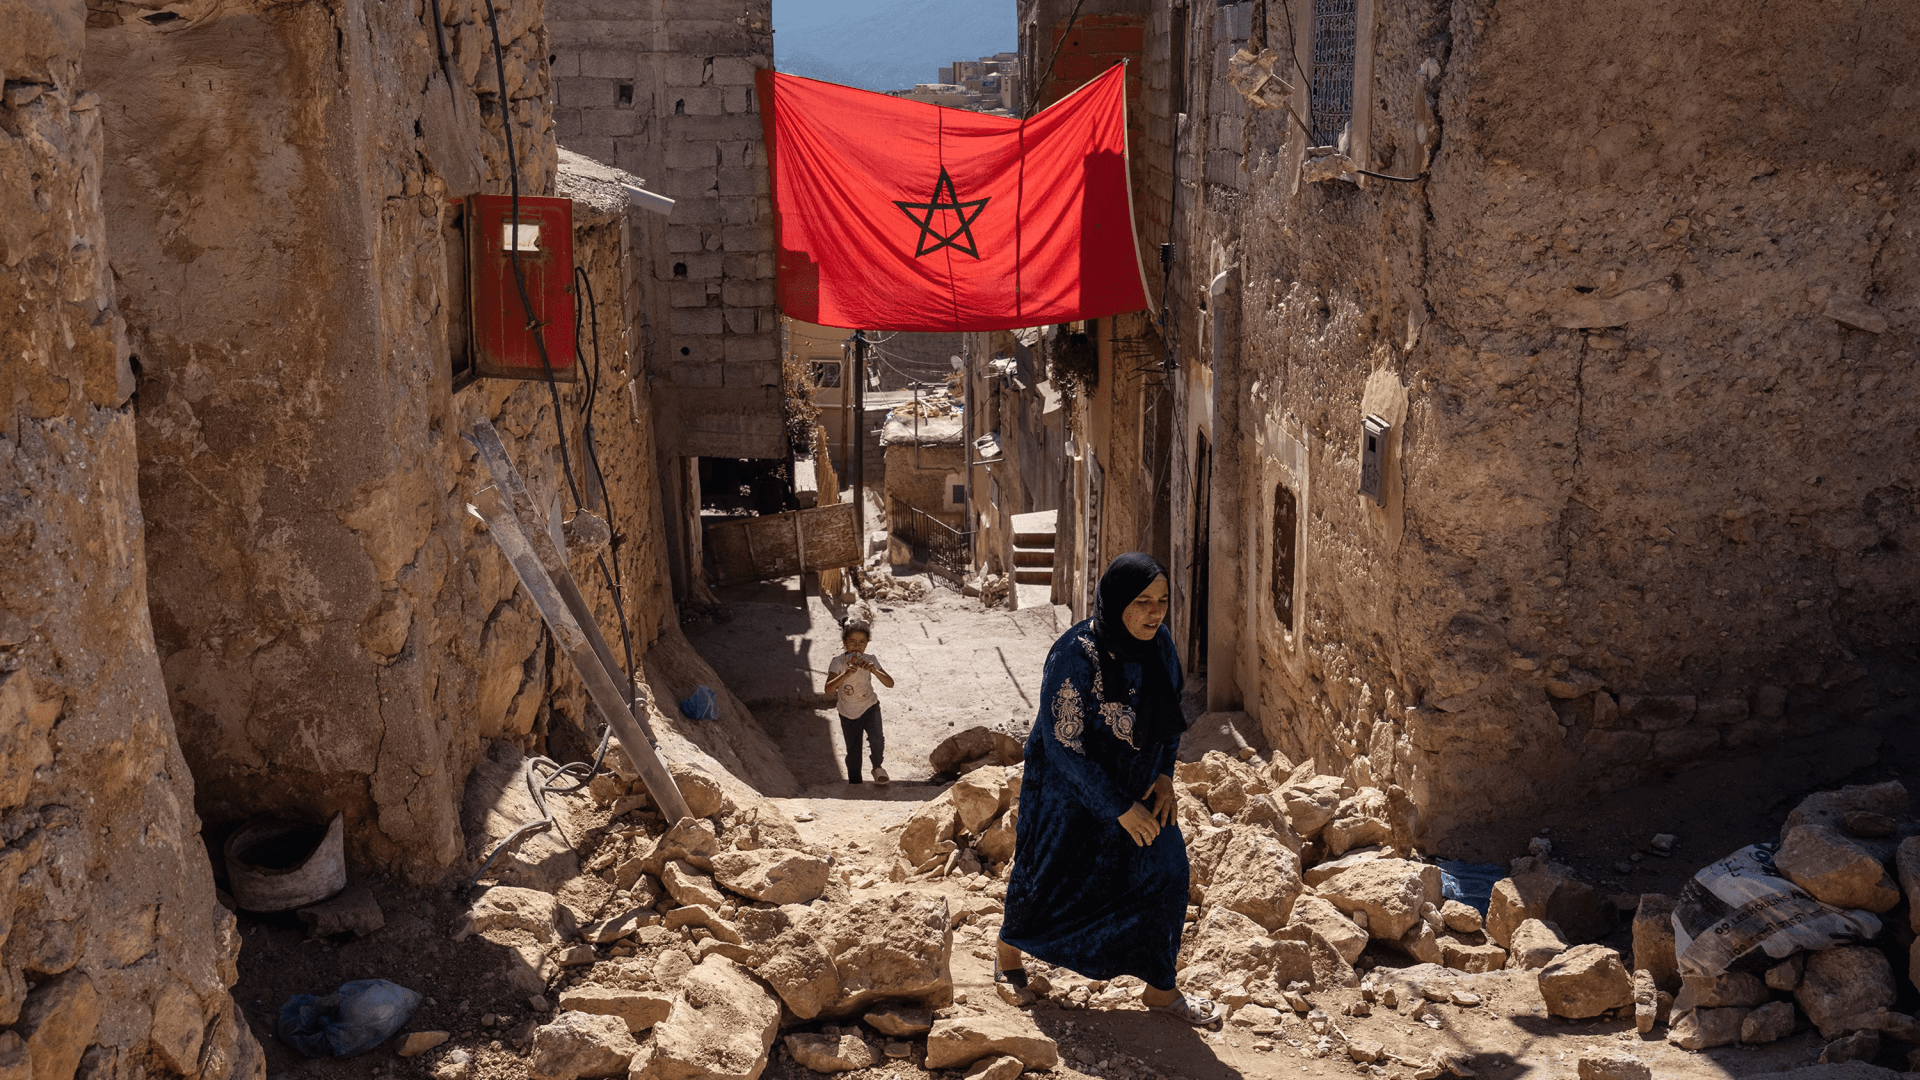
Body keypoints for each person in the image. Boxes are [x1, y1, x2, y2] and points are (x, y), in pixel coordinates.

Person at [996, 552, 1220, 1025]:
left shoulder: (1160, 647)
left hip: (1137, 784)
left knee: (1168, 871)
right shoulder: (1076, 654)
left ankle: (1161, 988)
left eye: (1162, 602)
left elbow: (1167, 719)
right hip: (1067, 791)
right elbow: (1062, 743)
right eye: (1142, 602)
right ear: (1117, 601)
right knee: (1050, 873)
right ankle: (1009, 956)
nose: (1155, 613)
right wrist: (1116, 806)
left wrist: (1164, 777)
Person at [825, 624, 894, 784]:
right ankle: (855, 784)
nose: (857, 646)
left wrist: (875, 671)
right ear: (844, 642)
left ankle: (877, 767)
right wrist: (845, 674)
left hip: (870, 706)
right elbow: (829, 690)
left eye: (862, 642)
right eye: (853, 641)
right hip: (848, 713)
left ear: (867, 644)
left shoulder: (870, 659)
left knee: (877, 739)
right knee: (853, 752)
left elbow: (890, 683)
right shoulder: (838, 663)